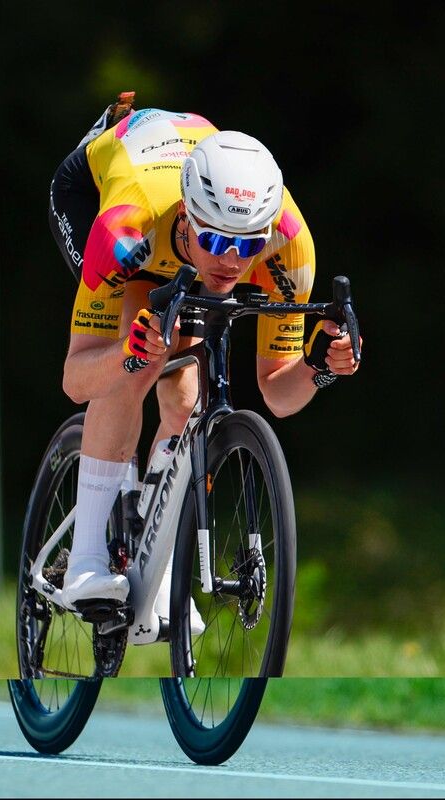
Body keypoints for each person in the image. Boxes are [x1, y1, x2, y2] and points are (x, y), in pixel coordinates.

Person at [48, 95, 360, 625]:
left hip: (182, 193)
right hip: (105, 198)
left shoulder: (288, 247)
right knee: (138, 365)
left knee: (186, 396)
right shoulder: (129, 222)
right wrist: (127, 352)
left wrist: (319, 365)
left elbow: (277, 393)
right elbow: (76, 380)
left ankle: (157, 560)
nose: (231, 262)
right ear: (188, 218)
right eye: (214, 240)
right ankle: (86, 560)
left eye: (248, 246)